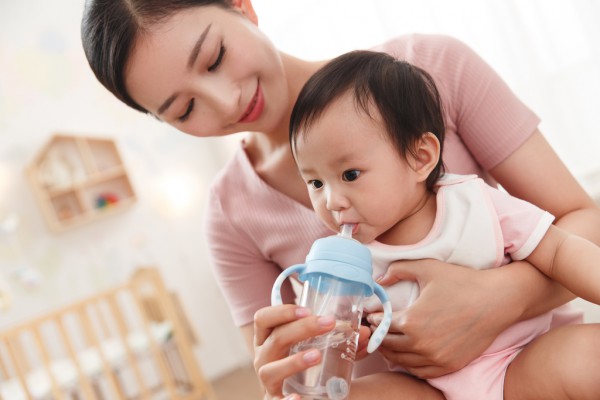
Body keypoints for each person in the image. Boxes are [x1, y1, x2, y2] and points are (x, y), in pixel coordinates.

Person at [80, 1, 600, 398]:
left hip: (536, 363)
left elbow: (582, 222)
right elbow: (294, 374)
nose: (227, 102)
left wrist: (497, 299)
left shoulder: (428, 69)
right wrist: (281, 374)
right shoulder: (230, 214)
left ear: (241, 5)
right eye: (185, 108)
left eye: (214, 58)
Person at [288, 49, 600, 399]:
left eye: (350, 174)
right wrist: (347, 338)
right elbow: (347, 338)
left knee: (588, 358)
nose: (331, 201)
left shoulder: (472, 202)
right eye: (315, 182)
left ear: (420, 158)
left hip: (523, 358)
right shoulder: (347, 261)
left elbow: (559, 252)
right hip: (429, 388)